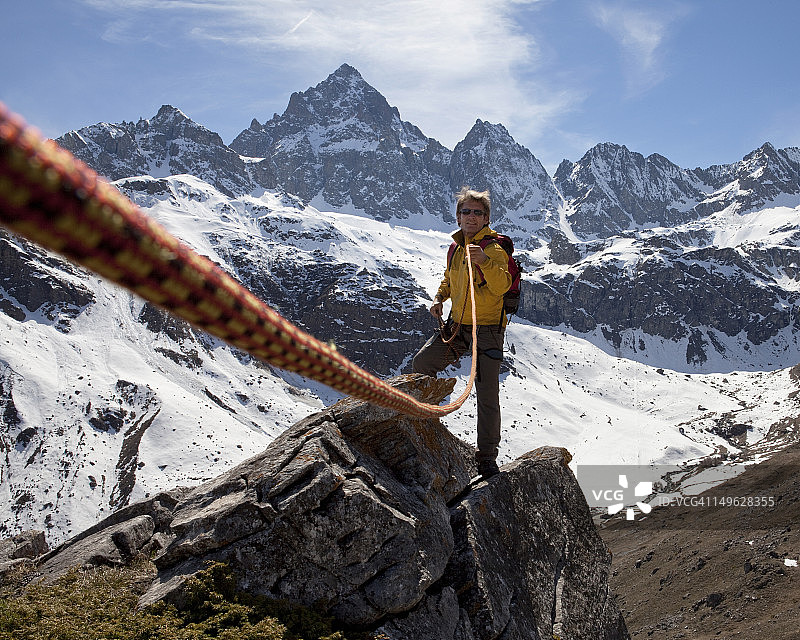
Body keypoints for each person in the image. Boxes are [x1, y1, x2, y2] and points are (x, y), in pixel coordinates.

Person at [412, 187, 511, 478]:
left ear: (486, 218)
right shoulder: (455, 249)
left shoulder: (493, 249)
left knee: (487, 394)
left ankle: (487, 458)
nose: (470, 216)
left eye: (477, 212)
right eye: (465, 211)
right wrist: (439, 298)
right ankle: (426, 424)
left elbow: (502, 285)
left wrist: (484, 262)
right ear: (458, 217)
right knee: (423, 364)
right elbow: (449, 279)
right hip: (457, 325)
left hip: (488, 329)